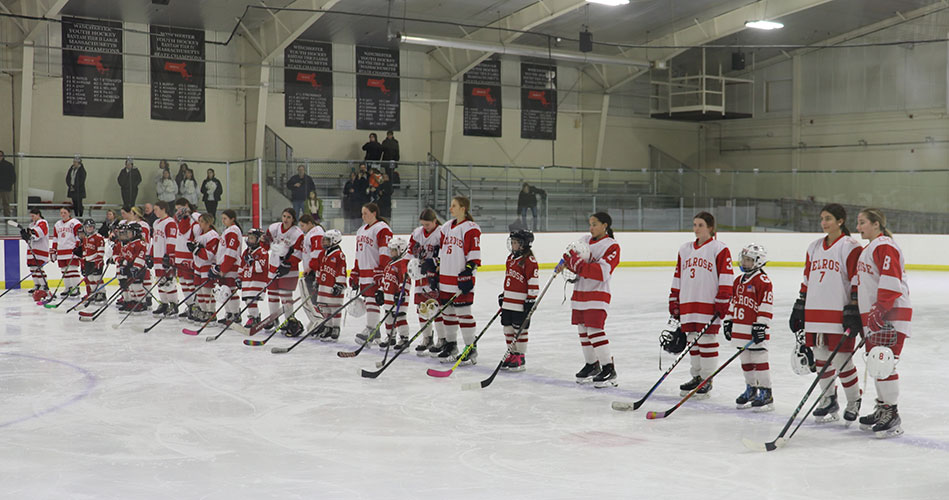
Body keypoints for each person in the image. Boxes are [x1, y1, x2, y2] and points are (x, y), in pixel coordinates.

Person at [789, 203, 864, 423]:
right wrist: (800, 304)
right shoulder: (813, 247)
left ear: (840, 221)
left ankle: (853, 400)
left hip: (838, 312)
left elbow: (856, 280)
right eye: (822, 218)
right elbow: (807, 279)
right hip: (815, 311)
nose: (824, 223)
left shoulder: (850, 246)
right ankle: (829, 399)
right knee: (821, 359)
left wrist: (853, 308)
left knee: (842, 360)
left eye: (828, 218)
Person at [855, 208, 912, 438]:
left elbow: (891, 279)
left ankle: (892, 412)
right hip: (876, 315)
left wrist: (880, 308)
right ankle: (882, 407)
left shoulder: (884, 245)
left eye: (862, 223)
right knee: (876, 363)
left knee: (884, 362)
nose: (858, 228)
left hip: (890, 313)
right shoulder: (870, 248)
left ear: (876, 224)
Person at [669, 212, 733, 398]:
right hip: (688, 302)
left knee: (706, 341)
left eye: (701, 225)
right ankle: (696, 377)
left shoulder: (719, 249)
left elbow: (726, 276)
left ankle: (707, 379)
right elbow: (678, 275)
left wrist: (723, 299)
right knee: (692, 342)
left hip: (708, 303)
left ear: (710, 228)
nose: (696, 228)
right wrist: (674, 298)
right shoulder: (684, 249)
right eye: (695, 224)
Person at [557, 212, 621, 387]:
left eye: (595, 224)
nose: (591, 228)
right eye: (590, 224)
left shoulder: (611, 246)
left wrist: (578, 264)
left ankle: (608, 368)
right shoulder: (584, 240)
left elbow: (601, 272)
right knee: (583, 330)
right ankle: (592, 365)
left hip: (598, 294)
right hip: (580, 292)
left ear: (605, 225)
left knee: (595, 330)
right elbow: (570, 256)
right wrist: (566, 261)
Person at [723, 243, 774, 411]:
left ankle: (766, 392)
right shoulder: (738, 280)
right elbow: (733, 302)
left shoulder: (763, 281)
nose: (744, 263)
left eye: (749, 260)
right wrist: (729, 320)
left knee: (759, 360)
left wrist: (761, 326)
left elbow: (765, 305)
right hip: (741, 329)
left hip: (755, 330)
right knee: (745, 360)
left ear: (758, 262)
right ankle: (751, 389)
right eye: (744, 259)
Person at [435, 196, 481, 364]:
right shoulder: (446, 227)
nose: (450, 209)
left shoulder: (470, 228)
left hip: (461, 278)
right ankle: (451, 345)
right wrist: (437, 268)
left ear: (463, 208)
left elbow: (474, 253)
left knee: (463, 313)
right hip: (445, 278)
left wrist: (469, 270)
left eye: (453, 206)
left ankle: (470, 348)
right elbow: (441, 251)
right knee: (447, 313)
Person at [352, 203, 393, 344]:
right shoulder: (361, 230)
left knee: (373, 300)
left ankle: (372, 330)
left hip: (375, 271)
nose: (363, 216)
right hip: (364, 271)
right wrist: (355, 272)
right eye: (362, 213)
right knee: (369, 301)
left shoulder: (382, 228)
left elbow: (385, 252)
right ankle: (374, 331)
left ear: (374, 213)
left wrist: (382, 270)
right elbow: (358, 253)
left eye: (366, 213)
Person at [499, 230, 539, 372]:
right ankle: (512, 353)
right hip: (509, 301)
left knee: (520, 330)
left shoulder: (529, 261)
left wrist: (531, 299)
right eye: (512, 242)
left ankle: (520, 356)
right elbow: (509, 278)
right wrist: (504, 294)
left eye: (516, 242)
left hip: (520, 303)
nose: (513, 245)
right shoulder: (510, 258)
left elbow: (533, 281)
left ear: (524, 244)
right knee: (507, 328)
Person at [262, 208, 305, 336]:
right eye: (284, 216)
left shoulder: (297, 233)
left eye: (289, 217)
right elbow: (266, 244)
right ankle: (273, 318)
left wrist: (288, 263)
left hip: (289, 270)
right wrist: (263, 241)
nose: (285, 219)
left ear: (293, 219)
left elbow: (298, 253)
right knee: (273, 295)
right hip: (274, 266)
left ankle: (289, 320)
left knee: (286, 296)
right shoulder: (274, 228)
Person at [410, 208, 446, 356]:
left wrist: (434, 260)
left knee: (435, 308)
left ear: (434, 221)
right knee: (421, 307)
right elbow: (410, 250)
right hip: (420, 275)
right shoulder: (417, 233)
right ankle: (427, 337)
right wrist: (414, 250)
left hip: (435, 276)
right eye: (423, 224)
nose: (425, 227)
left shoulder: (441, 233)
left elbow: (446, 254)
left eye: (428, 225)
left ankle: (442, 339)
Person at [377, 237, 411, 350]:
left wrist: (402, 293)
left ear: (401, 250)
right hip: (388, 296)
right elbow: (385, 279)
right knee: (388, 316)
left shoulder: (402, 264)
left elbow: (405, 281)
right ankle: (390, 337)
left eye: (393, 250)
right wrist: (381, 291)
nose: (390, 252)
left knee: (400, 316)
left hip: (399, 297)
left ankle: (404, 338)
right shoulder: (390, 263)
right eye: (390, 250)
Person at [313, 229, 346, 342]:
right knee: (325, 306)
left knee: (335, 307)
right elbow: (319, 268)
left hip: (333, 286)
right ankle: (328, 326)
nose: (324, 242)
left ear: (334, 241)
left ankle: (336, 327)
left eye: (327, 240)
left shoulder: (339, 255)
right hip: (324, 285)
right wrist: (317, 280)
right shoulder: (323, 254)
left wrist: (340, 284)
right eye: (324, 240)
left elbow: (341, 270)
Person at [213, 209, 243, 325]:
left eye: (225, 218)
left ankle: (235, 314)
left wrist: (224, 268)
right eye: (222, 218)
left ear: (232, 219)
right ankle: (229, 314)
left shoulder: (233, 231)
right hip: (225, 266)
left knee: (229, 291)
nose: (223, 221)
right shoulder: (228, 231)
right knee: (225, 291)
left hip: (231, 266)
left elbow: (231, 252)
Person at [174, 198, 202, 320]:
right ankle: (190, 305)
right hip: (179, 256)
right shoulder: (182, 219)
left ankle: (196, 307)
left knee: (190, 283)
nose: (179, 211)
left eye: (180, 208)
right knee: (184, 284)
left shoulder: (195, 218)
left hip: (189, 256)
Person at [189, 214, 220, 323]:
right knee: (199, 290)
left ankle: (211, 312)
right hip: (198, 265)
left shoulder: (213, 235)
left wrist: (197, 250)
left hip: (207, 265)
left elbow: (209, 255)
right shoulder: (199, 234)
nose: (199, 223)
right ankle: (203, 310)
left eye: (201, 221)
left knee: (206, 290)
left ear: (208, 223)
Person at [151, 201, 179, 317]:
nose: (154, 211)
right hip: (157, 257)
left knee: (169, 282)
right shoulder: (156, 222)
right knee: (160, 281)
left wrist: (170, 256)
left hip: (165, 258)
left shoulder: (170, 222)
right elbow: (154, 240)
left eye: (156, 209)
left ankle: (173, 304)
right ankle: (164, 303)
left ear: (163, 209)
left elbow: (171, 240)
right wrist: (150, 254)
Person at [298, 213, 325, 332]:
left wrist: (311, 267)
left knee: (314, 299)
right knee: (312, 299)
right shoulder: (310, 233)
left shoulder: (316, 232)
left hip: (314, 272)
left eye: (303, 225)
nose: (302, 228)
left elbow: (317, 252)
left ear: (310, 223)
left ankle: (320, 322)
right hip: (312, 271)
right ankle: (317, 320)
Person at [240, 228, 269, 329]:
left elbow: (261, 268)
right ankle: (254, 317)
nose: (250, 240)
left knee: (251, 301)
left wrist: (252, 261)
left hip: (257, 281)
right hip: (247, 281)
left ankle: (254, 318)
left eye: (252, 238)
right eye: (249, 238)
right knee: (247, 301)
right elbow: (241, 266)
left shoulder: (263, 252)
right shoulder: (246, 252)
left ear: (258, 240)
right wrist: (239, 278)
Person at [52, 207, 83, 297]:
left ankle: (75, 288)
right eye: (61, 212)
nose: (63, 214)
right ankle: (68, 287)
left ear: (69, 213)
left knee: (72, 270)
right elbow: (55, 238)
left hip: (71, 250)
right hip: (61, 251)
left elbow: (79, 236)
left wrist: (77, 247)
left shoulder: (75, 223)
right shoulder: (57, 224)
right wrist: (54, 250)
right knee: (64, 270)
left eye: (65, 212)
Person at [117, 223, 149, 313]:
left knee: (137, 286)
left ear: (136, 233)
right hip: (130, 268)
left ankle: (142, 303)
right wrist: (123, 265)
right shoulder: (129, 244)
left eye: (130, 232)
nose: (128, 234)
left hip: (138, 269)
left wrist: (136, 267)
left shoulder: (140, 243)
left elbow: (141, 256)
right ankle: (134, 302)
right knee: (131, 286)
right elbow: (127, 257)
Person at [79, 218, 106, 304]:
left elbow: (101, 251)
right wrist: (83, 263)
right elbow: (84, 251)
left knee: (97, 278)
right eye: (87, 227)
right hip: (88, 261)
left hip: (96, 262)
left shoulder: (98, 237)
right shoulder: (85, 238)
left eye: (91, 227)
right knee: (90, 278)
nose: (89, 228)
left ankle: (101, 293)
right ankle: (94, 293)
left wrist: (98, 260)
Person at [24, 208, 50, 294]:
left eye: (33, 216)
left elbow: (39, 234)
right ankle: (37, 284)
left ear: (38, 214)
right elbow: (30, 237)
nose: (32, 218)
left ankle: (44, 285)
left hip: (40, 249)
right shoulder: (31, 224)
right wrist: (26, 236)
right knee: (32, 268)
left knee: (38, 268)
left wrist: (31, 234)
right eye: (31, 216)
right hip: (32, 249)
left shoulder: (43, 222)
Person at [0, 150, 14, 217]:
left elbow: (13, 177)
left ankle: (7, 217)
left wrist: (9, 185)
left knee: (6, 203)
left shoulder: (8, 165)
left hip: (5, 188)